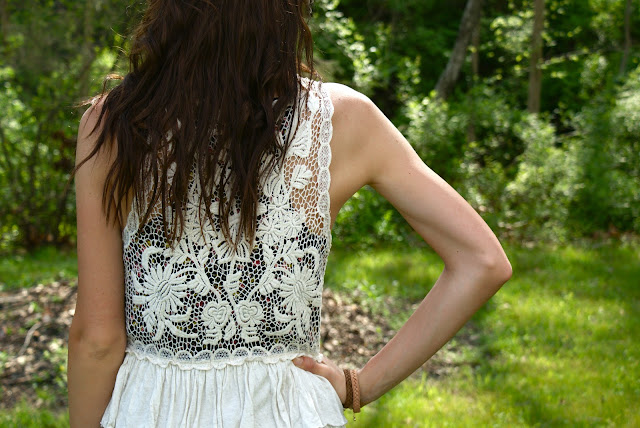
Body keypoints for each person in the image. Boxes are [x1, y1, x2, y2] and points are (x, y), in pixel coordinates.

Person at [68, 1, 512, 427]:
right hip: (289, 412)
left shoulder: (114, 124)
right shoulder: (343, 120)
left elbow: (97, 340)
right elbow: (482, 261)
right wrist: (360, 386)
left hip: (155, 412)